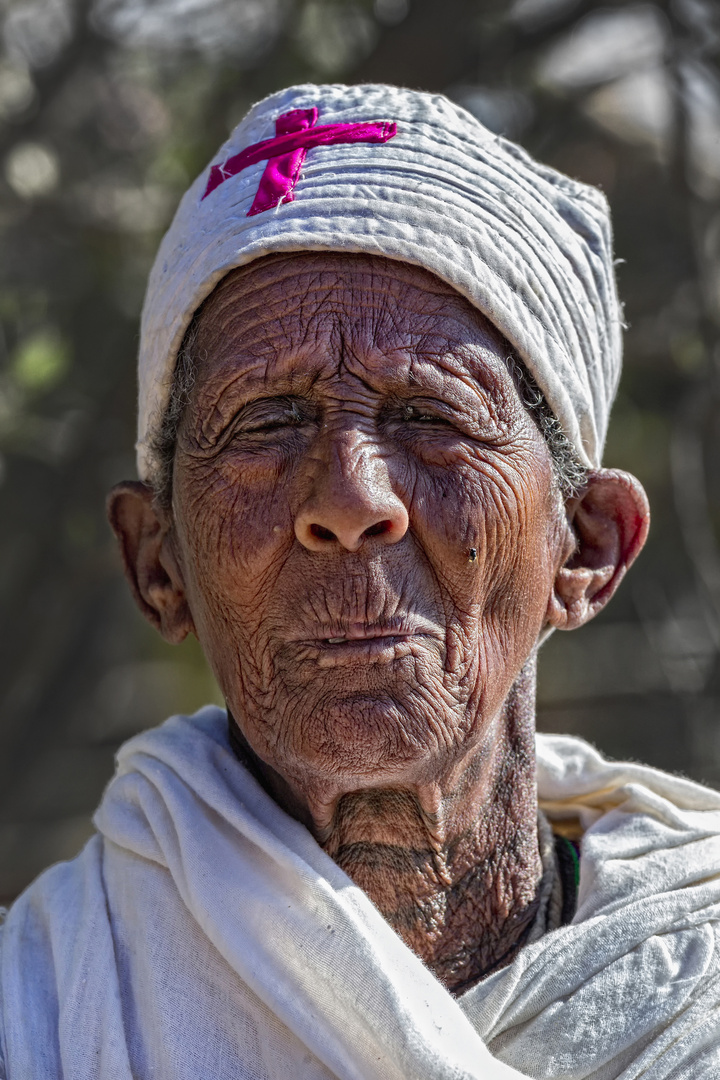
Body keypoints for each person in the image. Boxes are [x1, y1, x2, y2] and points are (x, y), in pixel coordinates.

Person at [1, 81, 719, 1080]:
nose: (348, 497)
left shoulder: (698, 992)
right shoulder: (36, 1014)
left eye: (432, 417)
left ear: (587, 546)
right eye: (266, 424)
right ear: (156, 563)